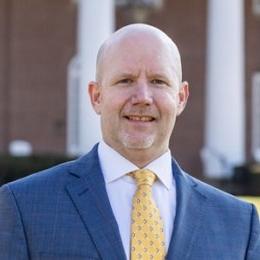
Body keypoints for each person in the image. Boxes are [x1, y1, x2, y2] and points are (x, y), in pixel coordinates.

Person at [0, 23, 259, 260]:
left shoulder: (238, 224)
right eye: (126, 80)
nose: (143, 97)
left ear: (181, 97)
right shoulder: (24, 207)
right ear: (96, 96)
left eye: (158, 81)